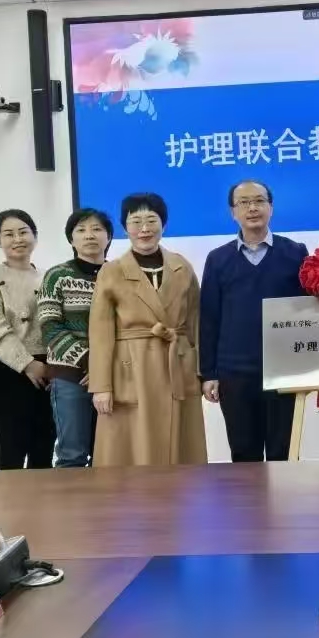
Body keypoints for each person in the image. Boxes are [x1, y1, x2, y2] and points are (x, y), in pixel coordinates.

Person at [88, 193, 206, 466]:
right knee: (131, 447)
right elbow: (100, 333)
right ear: (125, 227)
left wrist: (202, 371)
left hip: (177, 364)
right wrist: (101, 386)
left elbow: (196, 322)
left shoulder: (182, 267)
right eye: (136, 221)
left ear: (163, 225)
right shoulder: (112, 271)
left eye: (152, 220)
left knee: (181, 448)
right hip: (131, 367)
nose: (144, 228)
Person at [199, 181, 308, 462]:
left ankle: (281, 494)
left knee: (283, 453)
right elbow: (209, 318)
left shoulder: (295, 253)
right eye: (244, 202)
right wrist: (209, 373)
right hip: (234, 372)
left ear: (271, 207)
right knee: (243, 453)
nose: (252, 208)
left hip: (284, 371)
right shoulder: (218, 259)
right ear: (233, 212)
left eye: (259, 201)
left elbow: (308, 311)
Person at [0, 209, 55, 470]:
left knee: (44, 452)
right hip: (10, 370)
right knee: (12, 456)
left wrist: (53, 365)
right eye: (8, 234)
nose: (17, 239)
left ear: (35, 236)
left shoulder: (49, 276)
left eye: (23, 232)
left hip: (50, 372)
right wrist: (27, 363)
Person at [38, 208, 113, 468]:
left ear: (108, 237)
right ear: (71, 239)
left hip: (113, 378)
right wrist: (90, 362)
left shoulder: (119, 274)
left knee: (110, 456)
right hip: (70, 377)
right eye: (81, 230)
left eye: (97, 229)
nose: (89, 235)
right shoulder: (57, 275)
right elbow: (50, 325)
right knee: (72, 456)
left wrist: (104, 368)